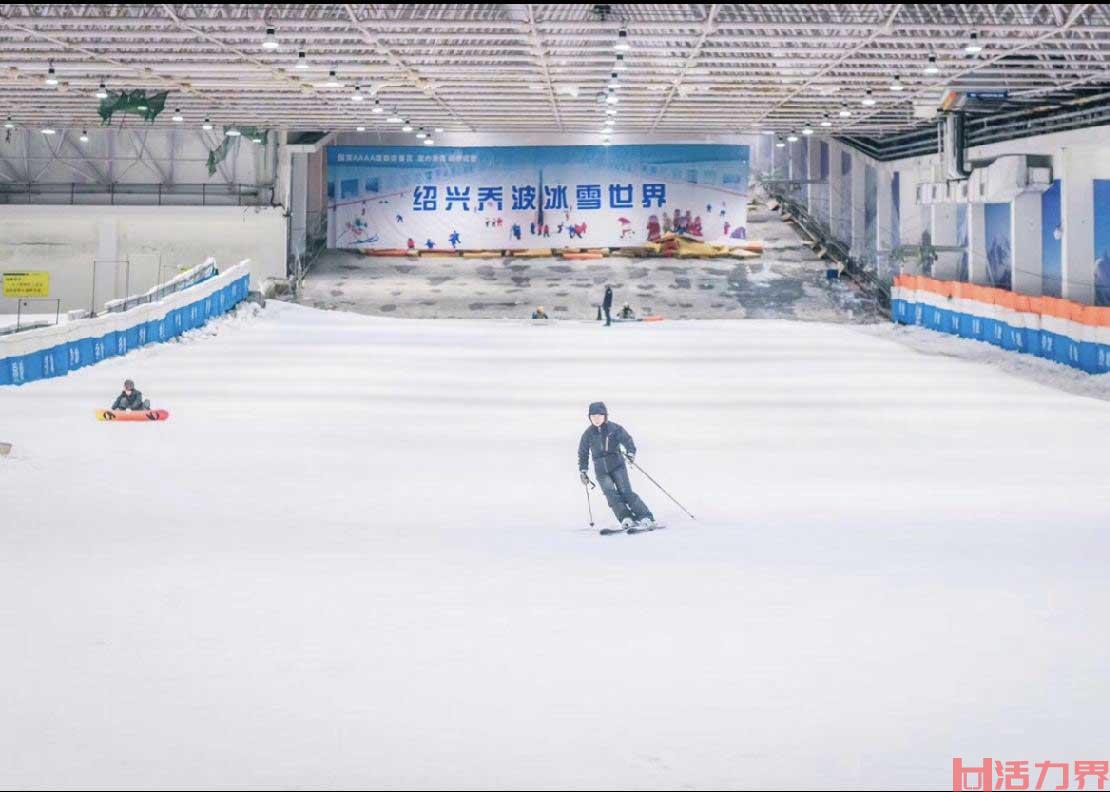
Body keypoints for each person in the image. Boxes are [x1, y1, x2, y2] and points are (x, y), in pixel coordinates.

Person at [578, 402, 654, 531]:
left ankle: (645, 516)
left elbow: (628, 441)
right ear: (589, 418)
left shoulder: (614, 429)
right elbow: (583, 453)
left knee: (625, 492)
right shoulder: (588, 434)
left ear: (605, 416)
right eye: (593, 416)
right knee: (610, 494)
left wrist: (630, 453)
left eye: (599, 416)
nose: (596, 419)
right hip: (601, 470)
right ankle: (626, 518)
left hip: (617, 465)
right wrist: (583, 471)